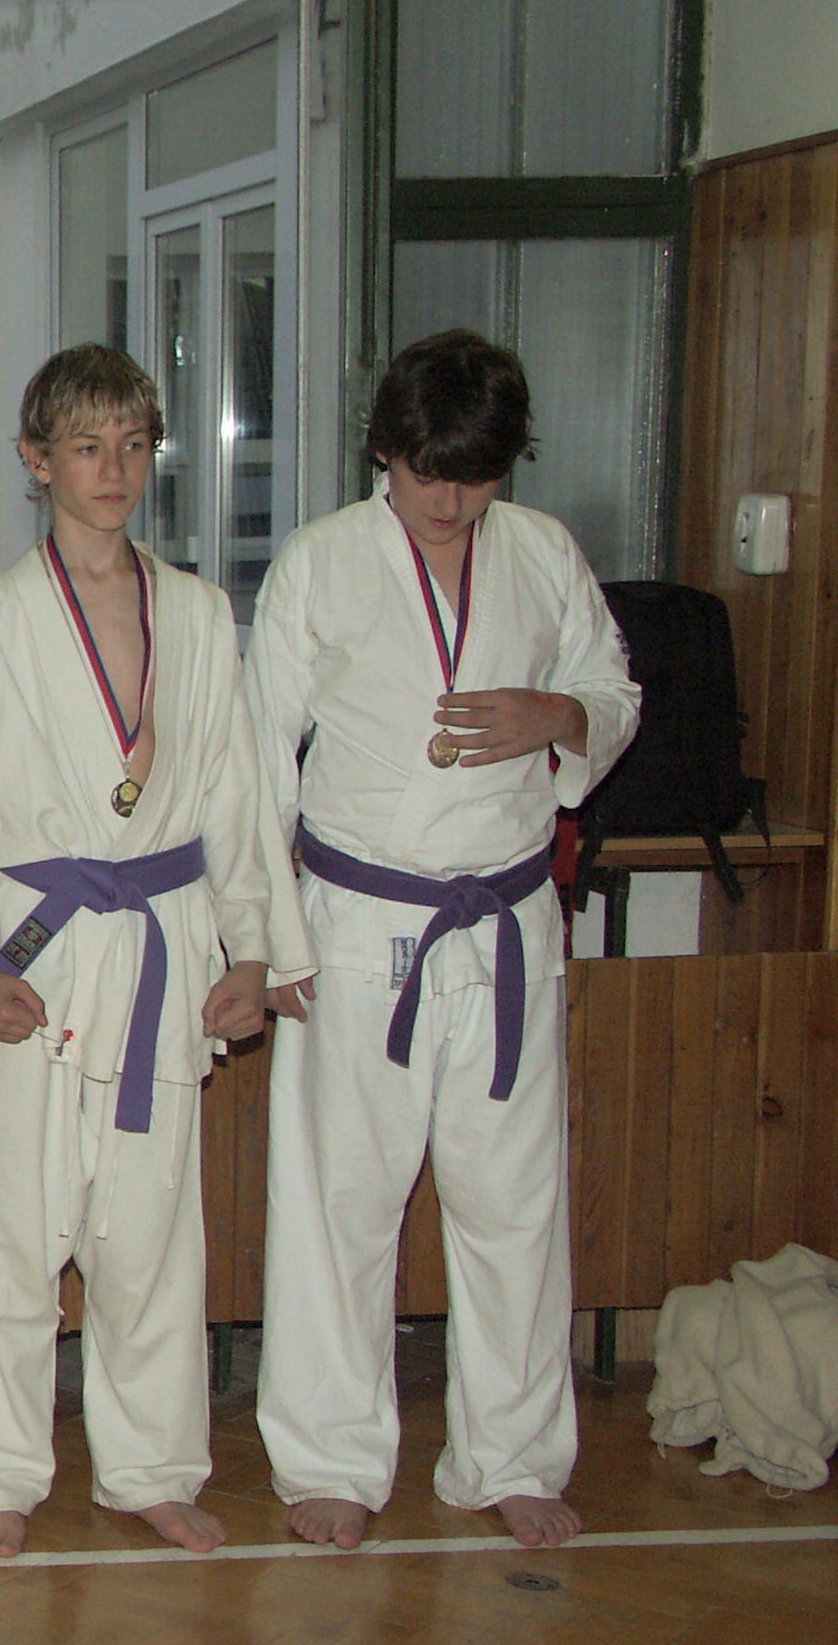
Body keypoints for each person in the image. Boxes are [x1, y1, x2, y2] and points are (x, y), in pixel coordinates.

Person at [247, 329, 638, 1551]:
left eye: (475, 476)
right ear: (386, 451)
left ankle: (511, 1457)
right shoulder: (321, 563)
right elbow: (257, 759)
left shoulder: (544, 554)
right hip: (360, 923)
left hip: (507, 925)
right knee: (340, 1208)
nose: (451, 501)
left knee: (514, 1204)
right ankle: (330, 1462)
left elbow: (615, 695)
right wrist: (269, 939)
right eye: (430, 473)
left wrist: (557, 714)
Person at [0, 346, 307, 1557]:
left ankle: (150, 1466)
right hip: (39, 944)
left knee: (150, 1228)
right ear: (37, 461)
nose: (113, 470)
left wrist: (253, 948)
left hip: (164, 938)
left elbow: (239, 793)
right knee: (17, 1227)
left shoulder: (196, 611)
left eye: (134, 446)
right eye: (87, 447)